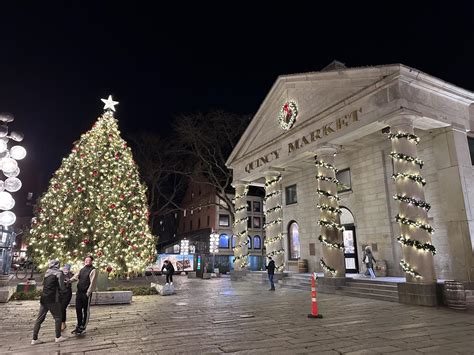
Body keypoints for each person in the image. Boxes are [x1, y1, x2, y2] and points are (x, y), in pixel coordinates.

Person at [31, 259, 68, 345]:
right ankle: (58, 337)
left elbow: (44, 284)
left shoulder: (47, 272)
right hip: (53, 299)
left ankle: (34, 339)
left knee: (39, 319)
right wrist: (66, 284)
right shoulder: (59, 273)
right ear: (57, 265)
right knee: (58, 317)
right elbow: (62, 287)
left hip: (44, 298)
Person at [69, 256, 97, 335]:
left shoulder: (93, 270)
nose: (87, 261)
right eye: (86, 260)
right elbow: (75, 277)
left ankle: (83, 327)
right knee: (78, 309)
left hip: (86, 293)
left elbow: (93, 283)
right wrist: (69, 281)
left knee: (85, 310)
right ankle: (78, 325)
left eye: (89, 260)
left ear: (91, 261)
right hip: (79, 292)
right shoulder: (82, 269)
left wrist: (88, 293)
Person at [61, 263, 73, 332]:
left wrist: (67, 281)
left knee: (63, 307)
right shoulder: (60, 274)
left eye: (67, 269)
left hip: (67, 293)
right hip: (60, 293)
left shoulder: (70, 274)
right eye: (64, 269)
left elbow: (72, 279)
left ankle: (63, 323)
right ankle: (62, 322)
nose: (65, 270)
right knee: (60, 308)